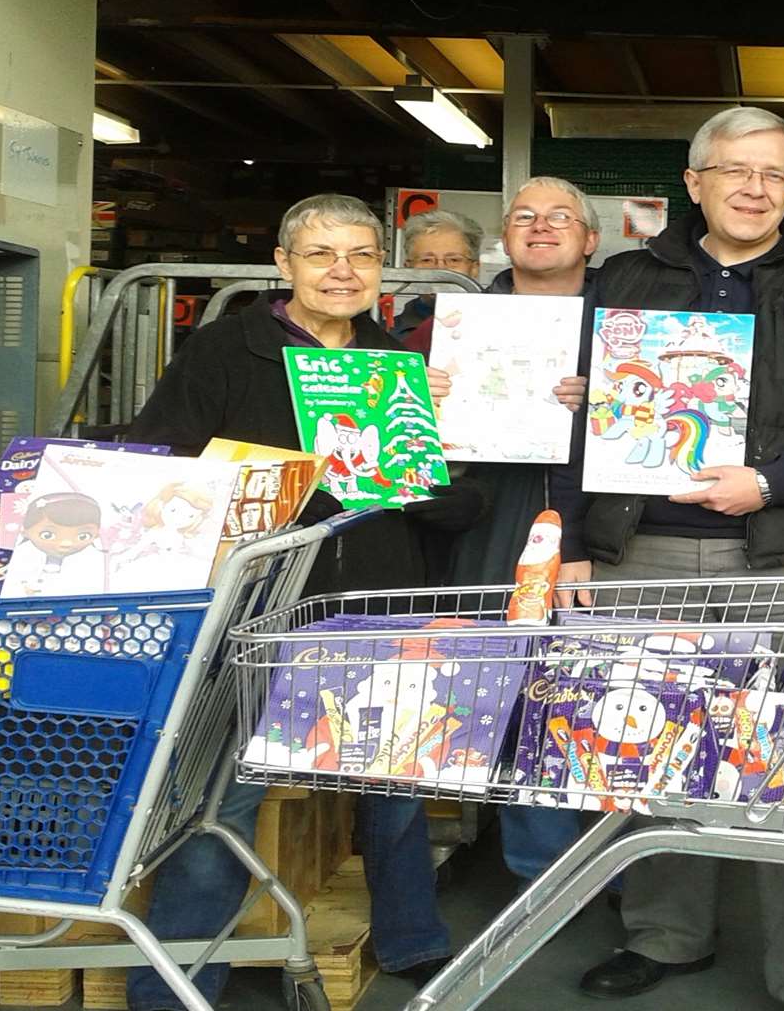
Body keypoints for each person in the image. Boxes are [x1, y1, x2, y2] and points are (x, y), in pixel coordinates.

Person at [554, 106, 784, 1009]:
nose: (756, 189)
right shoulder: (623, 279)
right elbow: (575, 428)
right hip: (642, 551)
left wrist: (770, 481)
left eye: (776, 175)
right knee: (648, 751)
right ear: (695, 181)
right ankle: (667, 935)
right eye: (736, 170)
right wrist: (573, 543)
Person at [122, 193, 485, 1011]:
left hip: (382, 602)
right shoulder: (225, 349)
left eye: (361, 255)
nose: (343, 271)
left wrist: (411, 476)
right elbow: (161, 464)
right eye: (322, 254)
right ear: (283, 265)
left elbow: (463, 503)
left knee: (392, 784)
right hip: (255, 611)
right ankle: (178, 985)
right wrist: (296, 486)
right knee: (221, 800)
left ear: (381, 270)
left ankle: (413, 939)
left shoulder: (401, 368)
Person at [437, 176, 601, 888]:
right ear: (505, 237)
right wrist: (424, 393)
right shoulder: (456, 323)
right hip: (489, 515)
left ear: (590, 240)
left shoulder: (627, 322)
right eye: (524, 217)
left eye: (561, 217)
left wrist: (608, 391)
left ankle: (617, 865)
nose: (541, 227)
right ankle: (536, 868)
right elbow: (400, 437)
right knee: (500, 675)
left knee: (592, 686)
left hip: (598, 522)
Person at [395, 208, 484, 349]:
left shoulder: (497, 324)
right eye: (427, 260)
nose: (440, 269)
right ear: (408, 269)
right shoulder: (384, 335)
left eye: (454, 259)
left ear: (474, 268)